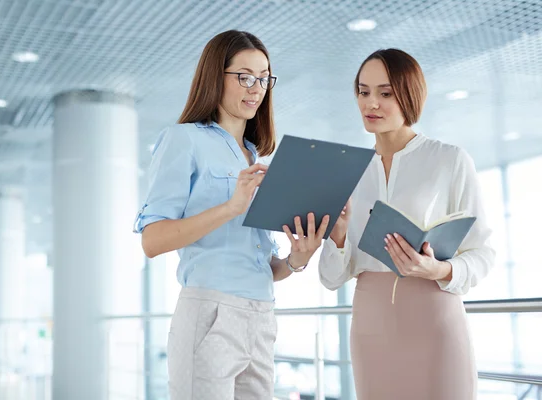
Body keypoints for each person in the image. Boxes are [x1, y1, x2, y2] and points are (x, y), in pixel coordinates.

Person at [133, 30, 329, 400]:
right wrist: (230, 207)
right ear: (214, 76)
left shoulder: (254, 157)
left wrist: (297, 259)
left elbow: (261, 264)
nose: (256, 88)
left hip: (261, 318)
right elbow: (153, 240)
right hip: (210, 314)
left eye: (263, 78)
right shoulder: (184, 140)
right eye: (244, 76)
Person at [318, 48, 496, 400]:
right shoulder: (347, 171)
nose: (372, 103)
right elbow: (330, 277)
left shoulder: (449, 159)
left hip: (435, 318)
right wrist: (337, 239)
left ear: (409, 96)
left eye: (385, 93)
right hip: (371, 323)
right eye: (363, 91)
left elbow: (483, 254)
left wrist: (440, 270)